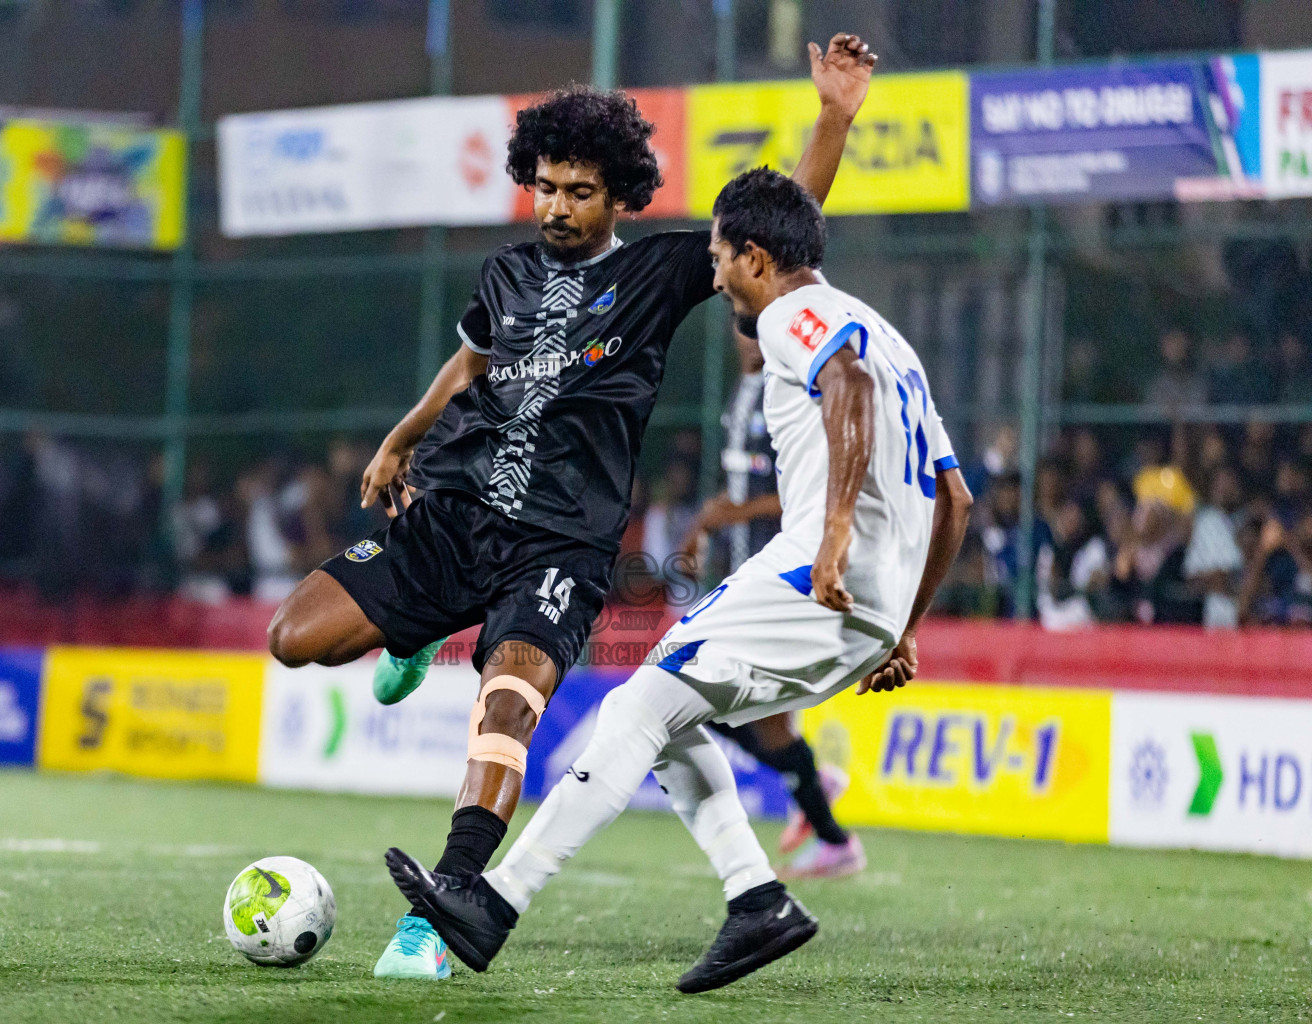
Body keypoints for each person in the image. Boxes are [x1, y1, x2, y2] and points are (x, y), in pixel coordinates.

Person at [265, 35, 880, 981]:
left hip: (558, 547)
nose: (556, 205)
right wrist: (401, 437)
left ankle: (445, 905)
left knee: (505, 703)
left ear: (619, 195)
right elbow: (470, 358)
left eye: (578, 190)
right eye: (545, 185)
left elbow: (782, 232)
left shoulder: (663, 273)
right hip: (452, 517)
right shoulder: (507, 272)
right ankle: (415, 633)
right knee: (292, 637)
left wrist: (834, 116)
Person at [385, 166, 973, 993]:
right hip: (870, 607)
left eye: (721, 255)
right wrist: (905, 625)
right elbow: (954, 497)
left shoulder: (796, 316)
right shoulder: (886, 334)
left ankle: (491, 906)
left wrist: (836, 537)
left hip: (815, 575)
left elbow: (849, 387)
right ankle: (754, 897)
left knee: (637, 704)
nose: (717, 271)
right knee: (665, 709)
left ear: (757, 256)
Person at [682, 323, 860, 878]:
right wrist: (702, 528)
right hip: (740, 574)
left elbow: (801, 495)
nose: (747, 340)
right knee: (729, 711)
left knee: (700, 698)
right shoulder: (742, 393)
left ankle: (829, 828)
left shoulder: (785, 394)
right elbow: (739, 491)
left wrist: (730, 516)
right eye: (739, 329)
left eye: (756, 330)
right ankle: (815, 793)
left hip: (779, 577)